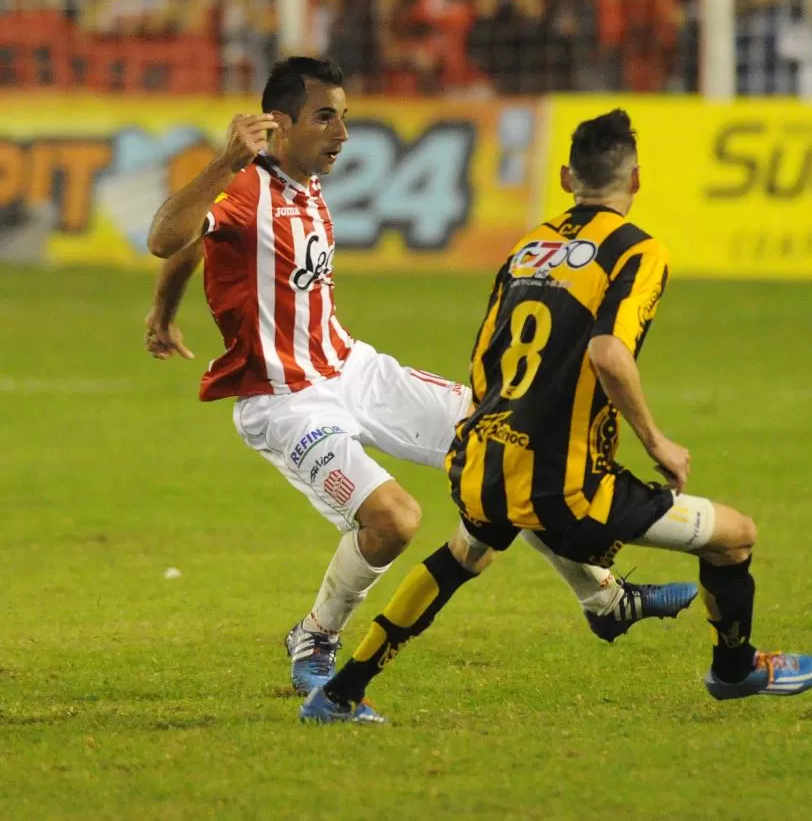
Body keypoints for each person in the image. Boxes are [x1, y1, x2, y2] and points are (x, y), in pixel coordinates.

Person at [144, 58, 697, 696]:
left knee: (508, 446)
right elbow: (167, 236)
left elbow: (197, 243)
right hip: (287, 401)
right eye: (326, 117)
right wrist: (223, 163)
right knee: (395, 521)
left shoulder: (301, 183)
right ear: (278, 123)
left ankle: (604, 600)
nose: (342, 134)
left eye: (345, 118)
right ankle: (316, 634)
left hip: (353, 368)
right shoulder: (241, 188)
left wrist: (163, 314)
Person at [303, 108, 812, 724]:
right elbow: (608, 353)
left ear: (564, 177)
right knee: (736, 536)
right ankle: (735, 670)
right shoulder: (638, 251)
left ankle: (340, 692)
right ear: (636, 180)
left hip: (487, 452)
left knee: (463, 555)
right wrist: (657, 441)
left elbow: (485, 357)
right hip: (568, 485)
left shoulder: (529, 246)